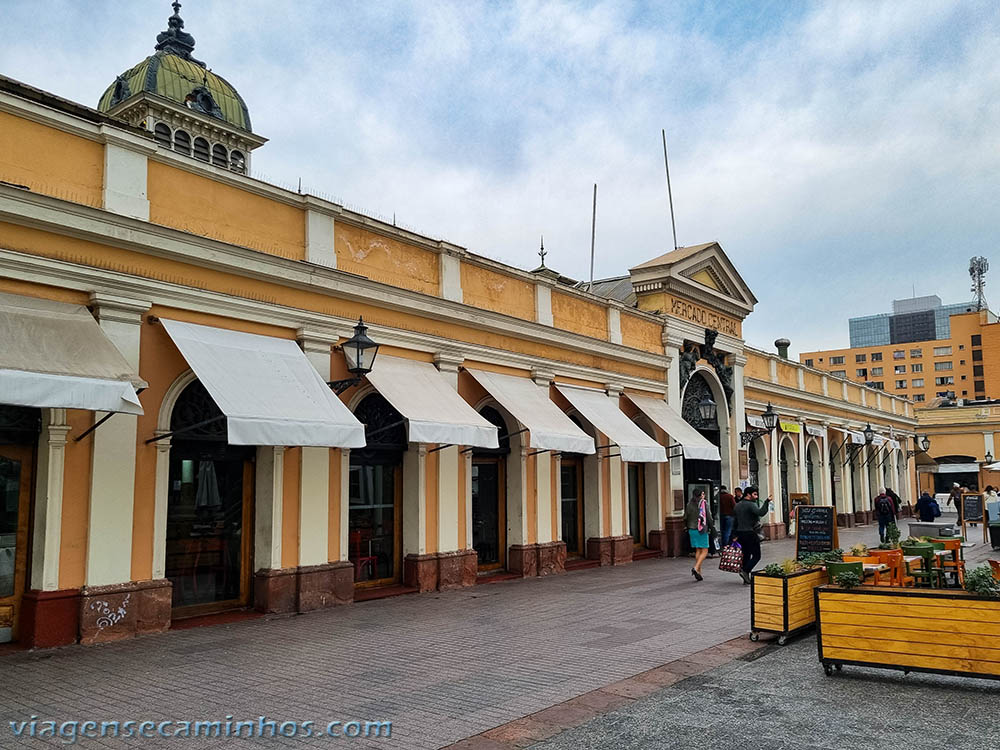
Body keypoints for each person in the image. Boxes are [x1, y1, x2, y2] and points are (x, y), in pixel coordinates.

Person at [733, 485, 772, 585]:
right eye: (754, 494)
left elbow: (735, 521)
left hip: (740, 534)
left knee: (746, 555)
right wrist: (767, 501)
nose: (756, 497)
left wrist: (734, 535)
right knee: (756, 555)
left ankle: (746, 578)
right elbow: (761, 512)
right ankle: (745, 571)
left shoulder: (738, 505)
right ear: (748, 495)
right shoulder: (750, 504)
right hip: (750, 533)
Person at [683, 489, 713, 581]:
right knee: (705, 550)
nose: (704, 495)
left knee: (698, 550)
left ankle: (699, 572)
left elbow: (685, 517)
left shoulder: (689, 504)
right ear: (700, 495)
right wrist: (712, 526)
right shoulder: (704, 503)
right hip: (701, 529)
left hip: (692, 529)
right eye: (703, 493)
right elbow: (708, 516)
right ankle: (696, 568)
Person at [719, 485, 737, 550]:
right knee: (728, 531)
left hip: (720, 515)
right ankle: (725, 545)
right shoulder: (730, 496)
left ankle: (721, 545)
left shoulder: (718, 496)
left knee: (722, 531)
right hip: (730, 516)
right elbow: (735, 506)